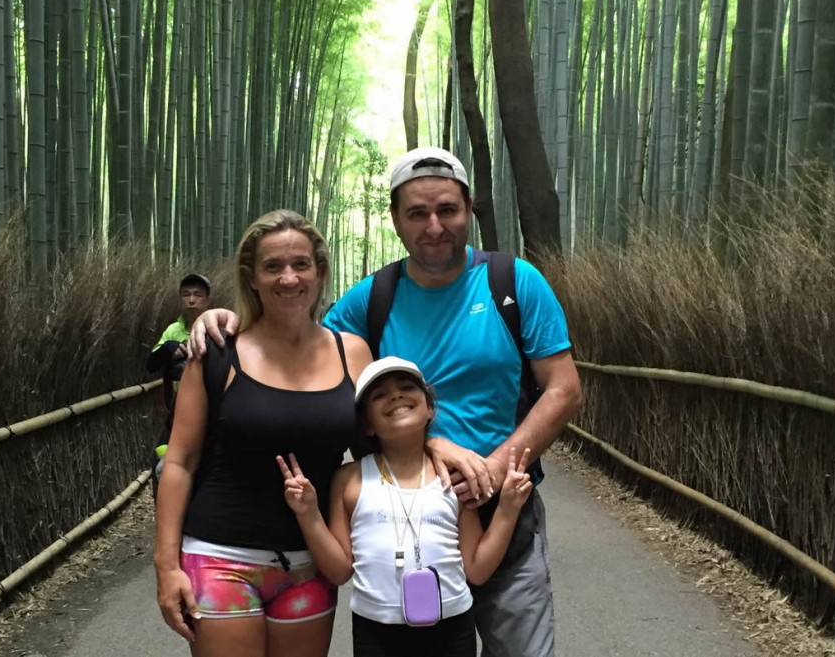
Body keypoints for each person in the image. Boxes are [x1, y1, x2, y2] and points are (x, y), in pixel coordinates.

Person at [191, 148, 583, 657]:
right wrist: (221, 319)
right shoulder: (368, 300)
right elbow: (290, 343)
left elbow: (563, 389)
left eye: (448, 209)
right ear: (396, 221)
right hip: (402, 512)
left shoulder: (514, 282)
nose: (434, 226)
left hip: (503, 504)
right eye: (417, 213)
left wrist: (492, 468)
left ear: (469, 210)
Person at [154, 210, 372, 657]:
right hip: (218, 556)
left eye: (301, 265)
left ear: (319, 272)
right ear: (251, 277)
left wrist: (437, 447)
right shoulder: (217, 351)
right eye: (273, 266)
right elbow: (179, 461)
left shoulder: (352, 352)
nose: (288, 278)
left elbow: (376, 452)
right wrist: (165, 565)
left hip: (310, 564)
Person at [278, 356, 533, 657]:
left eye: (406, 387)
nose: (395, 395)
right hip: (376, 629)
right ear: (367, 424)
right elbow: (339, 570)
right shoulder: (349, 480)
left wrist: (507, 510)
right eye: (379, 394)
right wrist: (309, 515)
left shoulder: (452, 479)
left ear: (429, 409)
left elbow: (476, 569)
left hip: (451, 627)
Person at [146, 273, 212, 478]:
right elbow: (151, 365)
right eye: (186, 295)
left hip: (210, 406)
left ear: (207, 299)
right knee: (162, 464)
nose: (192, 300)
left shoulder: (217, 328)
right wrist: (168, 349)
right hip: (177, 408)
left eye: (197, 295)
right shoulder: (173, 330)